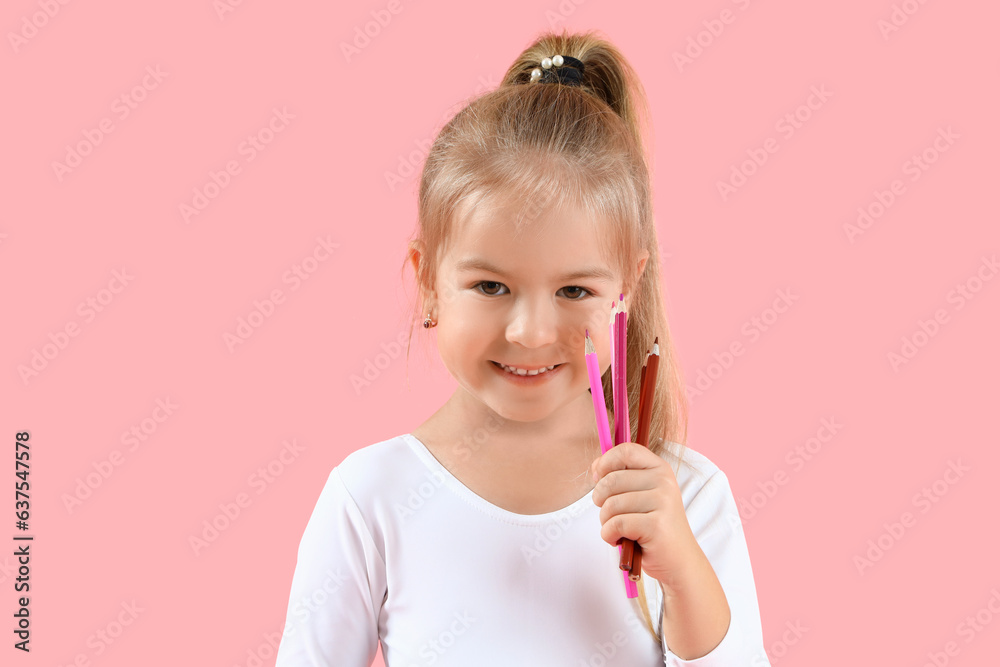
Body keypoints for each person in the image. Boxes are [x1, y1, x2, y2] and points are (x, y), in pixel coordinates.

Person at [275, 29, 770, 666]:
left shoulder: (683, 497)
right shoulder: (369, 500)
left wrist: (681, 571)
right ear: (427, 280)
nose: (531, 333)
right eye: (490, 285)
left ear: (629, 286)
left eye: (573, 290)